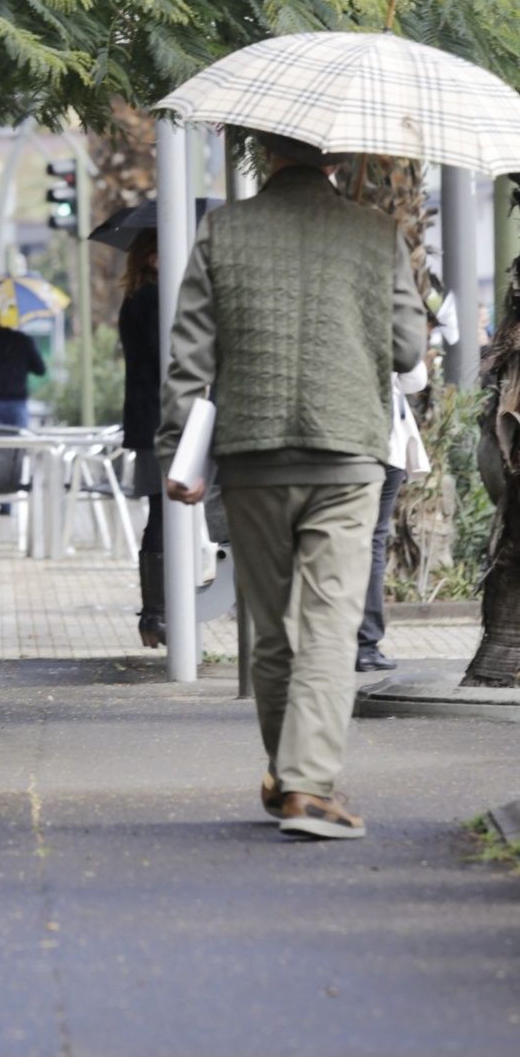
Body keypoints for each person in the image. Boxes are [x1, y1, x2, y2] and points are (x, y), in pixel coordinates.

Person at [157, 134, 426, 840]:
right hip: (345, 454)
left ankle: (288, 776)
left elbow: (189, 353)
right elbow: (405, 349)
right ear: (334, 158)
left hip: (251, 456)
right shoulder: (374, 232)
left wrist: (176, 455)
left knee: (271, 627)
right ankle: (306, 787)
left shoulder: (223, 229)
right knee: (331, 624)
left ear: (264, 152)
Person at [356, 360, 430, 672]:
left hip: (337, 446)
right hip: (385, 446)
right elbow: (415, 378)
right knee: (371, 541)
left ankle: (333, 641)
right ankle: (365, 645)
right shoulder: (388, 314)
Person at [118, 229, 165, 648]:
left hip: (147, 420)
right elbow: (167, 357)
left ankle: (155, 613)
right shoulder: (153, 301)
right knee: (164, 512)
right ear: (152, 257)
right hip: (161, 421)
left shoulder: (136, 299)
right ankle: (157, 613)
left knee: (160, 511)